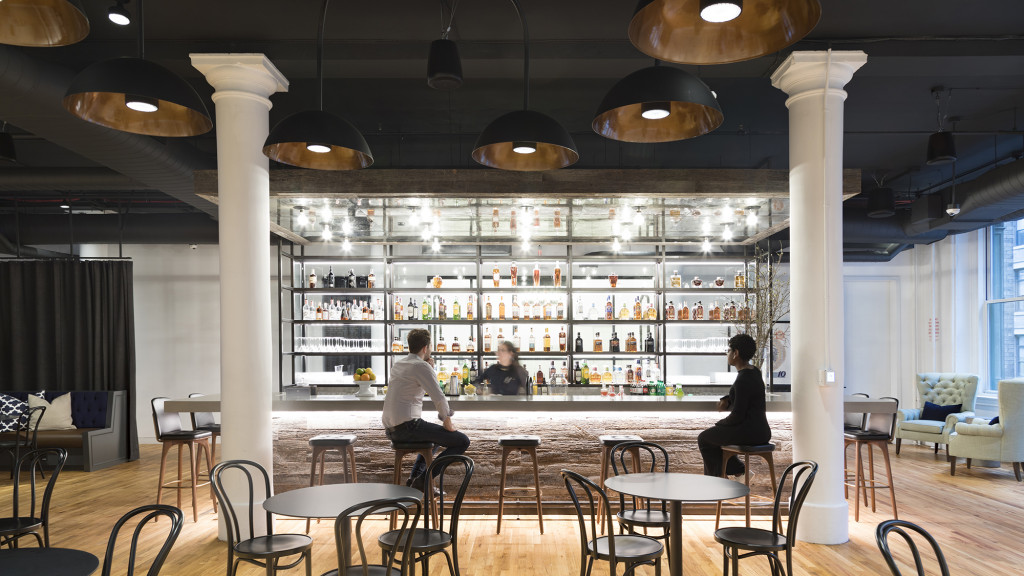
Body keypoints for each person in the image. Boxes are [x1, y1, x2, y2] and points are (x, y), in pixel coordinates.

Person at [382, 328, 470, 489]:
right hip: (408, 428)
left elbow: (414, 383)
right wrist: (447, 421)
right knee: (462, 441)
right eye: (430, 347)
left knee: (435, 437)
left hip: (391, 430)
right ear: (425, 348)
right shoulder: (421, 367)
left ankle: (414, 480)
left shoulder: (399, 365)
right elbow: (438, 396)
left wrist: (428, 367)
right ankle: (423, 482)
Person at [697, 333, 771, 477]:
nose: (727, 354)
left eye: (729, 350)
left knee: (704, 438)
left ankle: (719, 480)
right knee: (714, 438)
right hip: (760, 431)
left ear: (736, 353)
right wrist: (727, 399)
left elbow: (737, 415)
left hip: (749, 432)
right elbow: (741, 395)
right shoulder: (754, 372)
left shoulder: (743, 379)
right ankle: (739, 471)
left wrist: (719, 424)